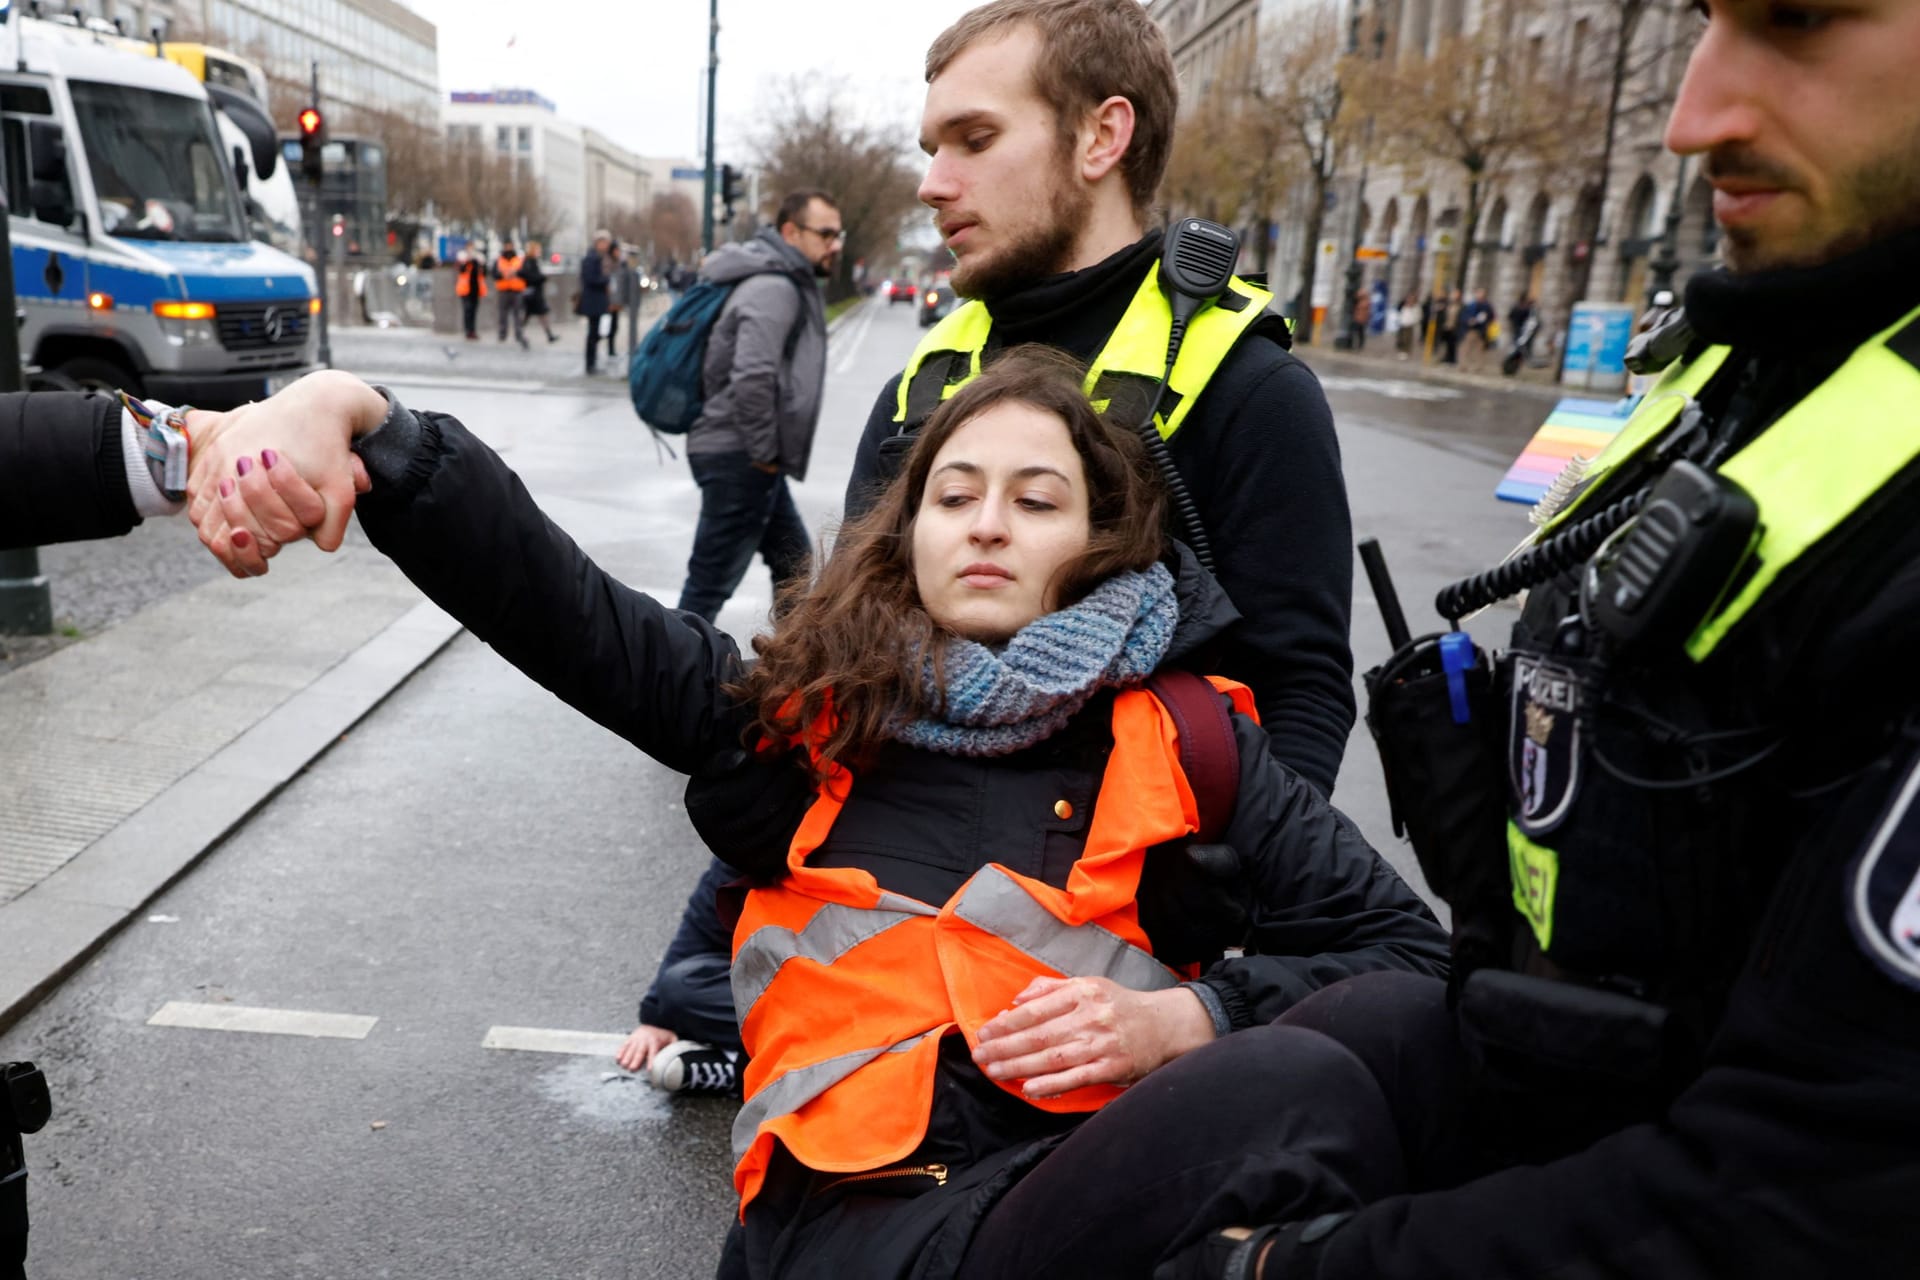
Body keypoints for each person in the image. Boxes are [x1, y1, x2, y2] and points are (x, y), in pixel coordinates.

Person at [192, 344, 1448, 1280]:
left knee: (1372, 1055)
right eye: (954, 495)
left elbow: (1407, 956)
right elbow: (566, 609)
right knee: (1295, 1092)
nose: (989, 525)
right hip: (855, 1215)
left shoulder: (1187, 736)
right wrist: (364, 417)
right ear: (909, 533)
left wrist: (1187, 1017)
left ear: (1105, 537)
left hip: (1089, 1186)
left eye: (1035, 497)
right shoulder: (803, 716)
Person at [1146, 0, 1920, 1272]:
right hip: (1549, 1092)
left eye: (1796, 21)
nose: (1691, 116)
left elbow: (1820, 1182)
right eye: (1703, 20)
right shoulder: (1758, 352)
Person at [845, 0, 1354, 801]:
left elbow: (1301, 692)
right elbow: (847, 641)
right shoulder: (923, 382)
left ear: (1102, 138)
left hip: (1124, 904)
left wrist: (1226, 886)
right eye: (932, 149)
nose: (932, 184)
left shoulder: (1252, 390)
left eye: (975, 140)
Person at [674, 190, 836, 624]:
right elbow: (752, 377)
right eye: (825, 233)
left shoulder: (777, 281)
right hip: (741, 456)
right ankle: (657, 686)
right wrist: (765, 454)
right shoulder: (775, 288)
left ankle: (791, 673)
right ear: (790, 232)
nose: (834, 244)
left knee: (795, 568)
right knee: (707, 588)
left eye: (837, 234)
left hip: (746, 454)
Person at [614, 857, 745, 1095]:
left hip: (829, 997)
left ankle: (745, 1072)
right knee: (681, 988)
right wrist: (658, 1016)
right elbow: (705, 925)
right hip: (797, 991)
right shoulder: (765, 837)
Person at [579, 230, 612, 375]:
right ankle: (590, 363)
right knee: (593, 332)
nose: (606, 246)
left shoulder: (597, 257)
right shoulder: (592, 258)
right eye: (604, 242)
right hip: (593, 300)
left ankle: (592, 362)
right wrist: (605, 280)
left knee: (595, 331)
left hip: (596, 299)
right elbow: (590, 278)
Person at [493, 241, 530, 349]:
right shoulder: (499, 260)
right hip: (503, 290)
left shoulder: (519, 259)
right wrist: (503, 274)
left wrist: (515, 273)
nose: (508, 248)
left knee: (517, 314)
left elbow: (525, 273)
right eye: (507, 246)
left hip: (516, 290)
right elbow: (494, 274)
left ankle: (518, 334)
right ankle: (502, 333)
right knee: (502, 314)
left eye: (510, 246)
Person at [521, 240, 559, 343]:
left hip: (535, 292)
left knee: (537, 314)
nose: (539, 251)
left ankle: (549, 335)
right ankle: (520, 333)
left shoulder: (532, 261)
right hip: (532, 293)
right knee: (536, 314)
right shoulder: (529, 261)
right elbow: (526, 275)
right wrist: (541, 278)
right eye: (538, 249)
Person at [1456, 286, 1492, 372]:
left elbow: (1490, 317)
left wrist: (1482, 321)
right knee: (1465, 348)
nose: (1479, 295)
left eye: (1481, 293)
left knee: (1479, 350)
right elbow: (1463, 316)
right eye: (1478, 293)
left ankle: (1478, 367)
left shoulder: (1487, 306)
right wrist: (1468, 320)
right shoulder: (1471, 305)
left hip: (1481, 330)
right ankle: (1463, 365)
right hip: (1470, 329)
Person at [454, 249, 487, 342]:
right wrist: (467, 260)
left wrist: (480, 262)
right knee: (467, 311)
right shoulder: (464, 261)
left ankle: (472, 331)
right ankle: (468, 331)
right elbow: (461, 270)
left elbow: (484, 273)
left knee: (473, 312)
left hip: (475, 291)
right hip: (465, 291)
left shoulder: (477, 263)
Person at [1393, 293, 1420, 360]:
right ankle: (1401, 350)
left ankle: (1405, 352)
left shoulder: (1415, 307)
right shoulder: (1404, 305)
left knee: (1407, 339)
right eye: (1408, 298)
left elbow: (1417, 316)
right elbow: (1399, 311)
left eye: (1411, 299)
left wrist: (1413, 321)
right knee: (1400, 338)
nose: (1409, 300)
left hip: (1409, 324)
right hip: (1402, 323)